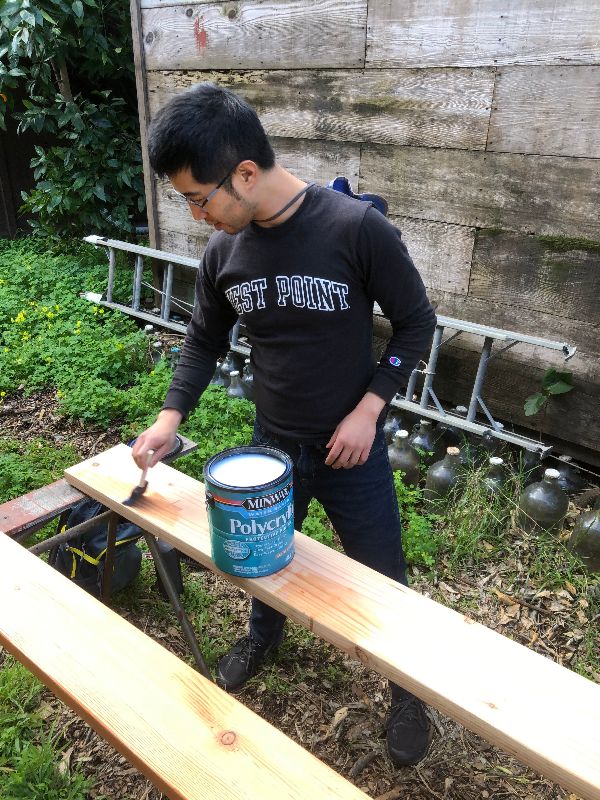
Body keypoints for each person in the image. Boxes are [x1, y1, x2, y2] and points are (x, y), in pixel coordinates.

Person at [132, 83, 437, 766]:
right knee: (266, 559)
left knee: (383, 575)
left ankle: (407, 691)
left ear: (244, 173)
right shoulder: (224, 255)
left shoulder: (355, 229)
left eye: (199, 198)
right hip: (271, 447)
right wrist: (169, 416)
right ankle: (264, 637)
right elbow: (203, 341)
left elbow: (416, 323)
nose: (196, 215)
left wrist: (368, 410)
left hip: (352, 450)